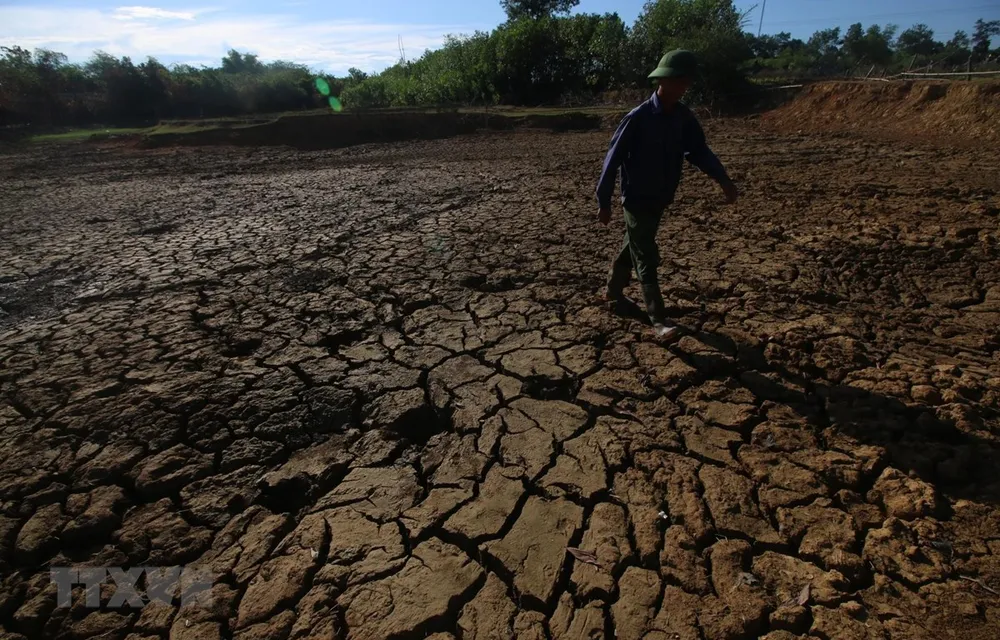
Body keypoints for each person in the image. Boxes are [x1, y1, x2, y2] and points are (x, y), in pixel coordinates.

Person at [596, 49, 738, 341]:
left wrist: (722, 178)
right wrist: (604, 201)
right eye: (680, 80)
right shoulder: (638, 118)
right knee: (647, 254)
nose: (685, 86)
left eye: (687, 81)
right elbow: (612, 159)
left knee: (634, 245)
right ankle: (658, 319)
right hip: (636, 198)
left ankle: (612, 293)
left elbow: (698, 150)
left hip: (661, 197)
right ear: (664, 81)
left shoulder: (684, 117)